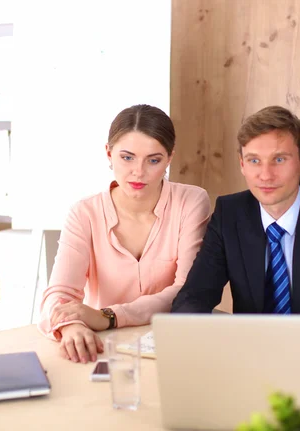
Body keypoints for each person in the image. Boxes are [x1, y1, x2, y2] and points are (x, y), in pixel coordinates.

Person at [38, 104, 211, 364]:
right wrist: (71, 325)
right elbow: (58, 294)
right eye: (127, 157)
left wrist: (108, 316)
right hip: (104, 350)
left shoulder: (191, 201)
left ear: (170, 158)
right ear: (109, 153)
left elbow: (187, 291)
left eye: (154, 160)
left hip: (172, 346)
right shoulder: (84, 213)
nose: (138, 172)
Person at [171, 106, 300, 315]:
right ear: (242, 165)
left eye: (279, 160)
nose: (266, 175)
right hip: (249, 345)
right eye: (254, 161)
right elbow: (194, 296)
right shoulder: (230, 214)